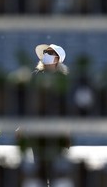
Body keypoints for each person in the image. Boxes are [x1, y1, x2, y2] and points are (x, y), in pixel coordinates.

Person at [16, 44, 70, 186]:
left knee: (54, 167)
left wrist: (67, 132)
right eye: (46, 52)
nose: (47, 55)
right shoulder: (35, 76)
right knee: (39, 165)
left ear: (58, 59)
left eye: (51, 53)